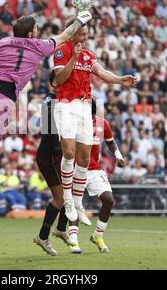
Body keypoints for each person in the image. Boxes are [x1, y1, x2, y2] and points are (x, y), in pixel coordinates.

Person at [0, 11, 93, 217]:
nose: (37, 30)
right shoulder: (39, 46)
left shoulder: (0, 43)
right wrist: (81, 19)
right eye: (35, 28)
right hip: (2, 101)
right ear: (30, 33)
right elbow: (64, 35)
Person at [52, 16, 136, 224]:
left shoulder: (89, 56)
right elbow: (59, 79)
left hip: (84, 107)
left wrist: (120, 80)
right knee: (69, 153)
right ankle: (69, 200)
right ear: (71, 34)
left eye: (87, 34)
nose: (85, 38)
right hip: (66, 105)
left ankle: (78, 203)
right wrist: (74, 58)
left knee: (83, 159)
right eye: (81, 34)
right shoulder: (61, 51)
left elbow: (102, 73)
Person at [65, 101, 125, 254]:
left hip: (95, 170)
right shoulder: (74, 124)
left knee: (109, 200)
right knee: (74, 204)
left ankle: (98, 235)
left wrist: (118, 155)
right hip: (77, 169)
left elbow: (111, 142)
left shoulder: (102, 123)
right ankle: (74, 241)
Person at [33, 71, 76, 256]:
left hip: (56, 154)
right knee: (63, 198)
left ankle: (57, 230)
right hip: (51, 155)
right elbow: (50, 127)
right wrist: (60, 150)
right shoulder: (51, 100)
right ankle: (46, 235)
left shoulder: (64, 101)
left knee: (69, 195)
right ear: (53, 84)